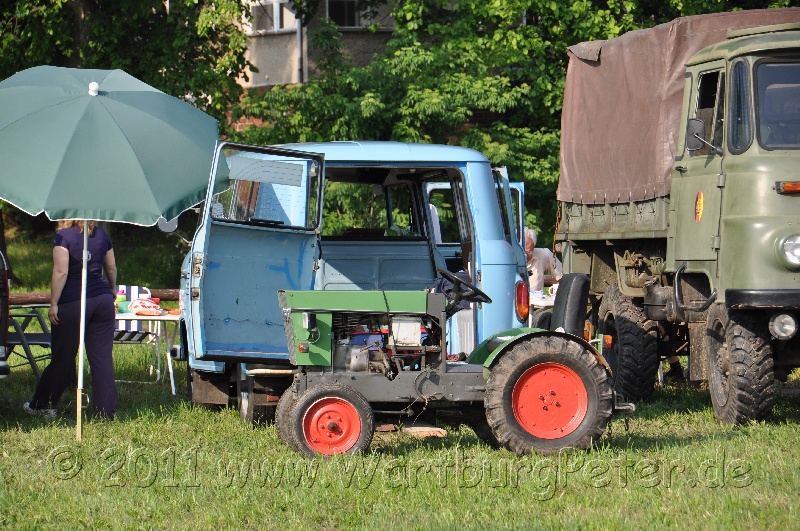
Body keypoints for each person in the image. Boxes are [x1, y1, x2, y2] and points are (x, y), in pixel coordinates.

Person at [24, 220, 118, 419]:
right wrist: (112, 290)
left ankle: (44, 405)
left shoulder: (64, 236)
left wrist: (53, 303)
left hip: (73, 302)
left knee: (63, 356)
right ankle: (105, 412)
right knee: (102, 358)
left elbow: (61, 271)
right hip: (102, 301)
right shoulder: (102, 235)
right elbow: (111, 268)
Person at [523, 227, 562, 294]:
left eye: (529, 252)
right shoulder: (507, 258)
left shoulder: (544, 254)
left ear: (533, 247)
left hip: (536, 302)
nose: (526, 255)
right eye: (523, 252)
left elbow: (561, 275)